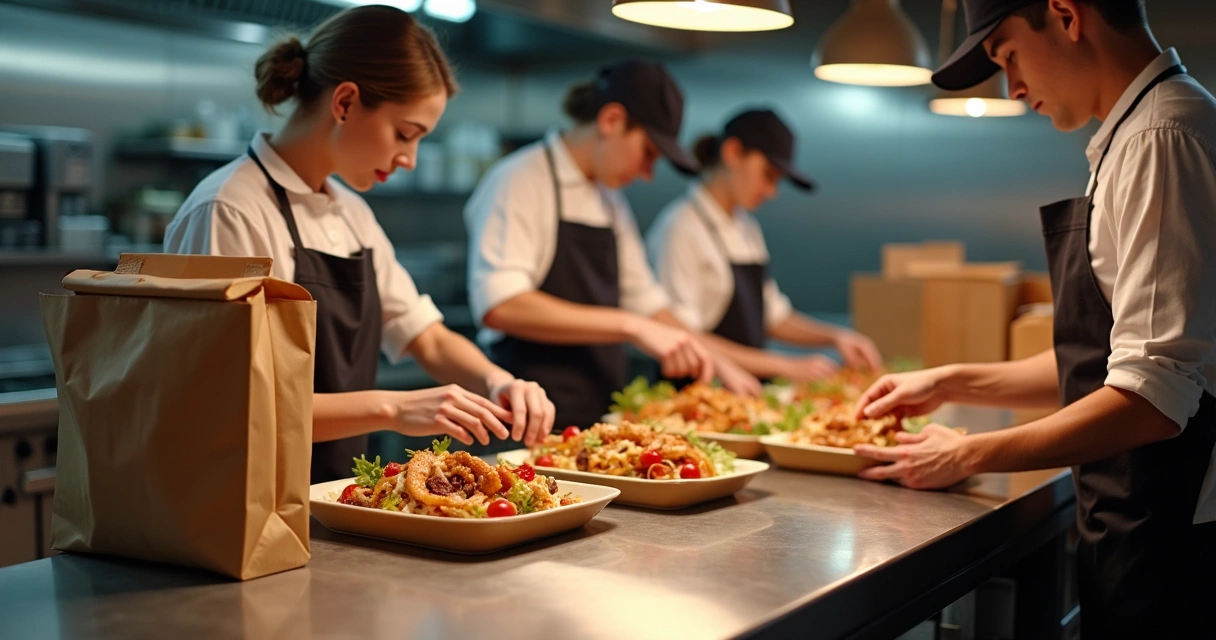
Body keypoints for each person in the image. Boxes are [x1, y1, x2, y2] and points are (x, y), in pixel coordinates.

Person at [850, 0, 1216, 636]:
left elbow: (1152, 397)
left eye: (1009, 57)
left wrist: (967, 454)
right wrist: (950, 381)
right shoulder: (1135, 135)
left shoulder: (1162, 137)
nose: (1013, 88)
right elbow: (1105, 363)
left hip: (1174, 543)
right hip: (1138, 521)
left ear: (1066, 15)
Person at [163, 5, 554, 483]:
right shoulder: (230, 210)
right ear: (345, 102)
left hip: (329, 498)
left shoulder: (351, 213)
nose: (409, 159)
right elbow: (232, 402)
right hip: (240, 499)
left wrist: (499, 382)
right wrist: (393, 408)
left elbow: (425, 336)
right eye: (404, 134)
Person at [464, 59, 760, 435]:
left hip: (596, 415)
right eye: (648, 152)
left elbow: (646, 300)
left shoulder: (609, 199)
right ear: (611, 121)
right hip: (526, 420)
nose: (648, 174)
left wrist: (718, 361)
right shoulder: (520, 180)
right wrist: (631, 326)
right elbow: (501, 305)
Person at [646, 107, 883, 385]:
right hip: (696, 391)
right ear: (733, 152)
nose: (772, 191)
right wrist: (783, 365)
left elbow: (774, 316)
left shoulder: (746, 227)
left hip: (747, 391)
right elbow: (683, 335)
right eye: (768, 175)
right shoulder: (681, 228)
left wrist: (836, 337)